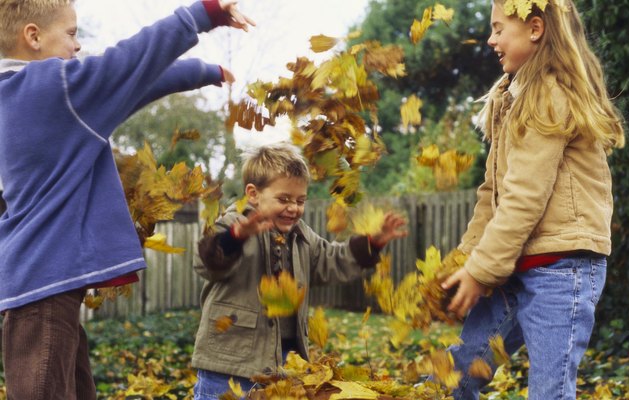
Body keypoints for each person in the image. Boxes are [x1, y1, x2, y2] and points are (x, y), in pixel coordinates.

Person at [0, 1, 253, 398]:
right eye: (70, 34)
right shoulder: (52, 87)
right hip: (42, 289)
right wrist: (200, 14)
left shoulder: (16, 96)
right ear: (32, 37)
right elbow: (125, 64)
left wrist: (201, 73)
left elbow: (130, 85)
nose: (78, 45)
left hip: (42, 286)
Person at [440, 0, 626, 399]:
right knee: (459, 372)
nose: (491, 40)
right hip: (514, 267)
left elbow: (525, 199)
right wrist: (468, 259)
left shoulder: (549, 97)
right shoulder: (509, 98)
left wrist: (481, 270)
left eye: (498, 29)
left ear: (535, 29)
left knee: (549, 390)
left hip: (563, 270)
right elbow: (492, 193)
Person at [191, 143, 407, 399]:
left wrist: (372, 244)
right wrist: (237, 237)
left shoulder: (302, 236)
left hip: (283, 359)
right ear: (253, 194)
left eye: (300, 200)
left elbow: (332, 260)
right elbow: (206, 262)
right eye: (283, 199)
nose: (293, 207)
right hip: (229, 360)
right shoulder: (234, 224)